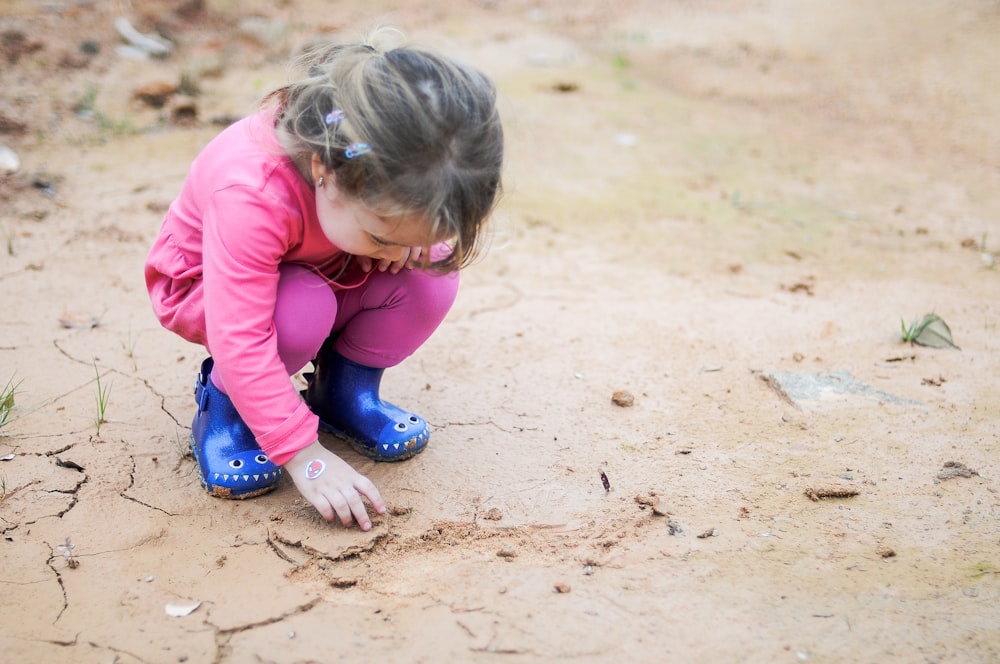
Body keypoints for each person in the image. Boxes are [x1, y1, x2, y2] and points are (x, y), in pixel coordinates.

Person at [144, 28, 504, 531]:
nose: (397, 253)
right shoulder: (251, 192)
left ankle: (341, 392)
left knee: (431, 273)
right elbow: (239, 334)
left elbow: (409, 240)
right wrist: (304, 455)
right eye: (383, 236)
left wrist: (414, 240)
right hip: (211, 289)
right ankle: (226, 410)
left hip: (324, 261)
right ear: (323, 172)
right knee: (302, 307)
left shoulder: (383, 178)